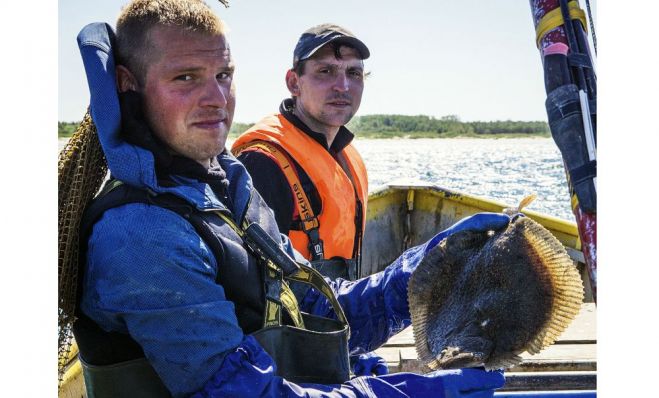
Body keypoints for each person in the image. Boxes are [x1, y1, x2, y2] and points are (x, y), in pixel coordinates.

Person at [70, 1, 510, 397]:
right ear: (129, 85)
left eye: (224, 76)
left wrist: (426, 268)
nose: (217, 99)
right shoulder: (141, 235)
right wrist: (392, 394)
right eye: (186, 78)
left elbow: (315, 308)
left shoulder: (223, 187)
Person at [232, 24, 369, 284]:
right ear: (294, 82)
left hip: (340, 311)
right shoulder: (263, 163)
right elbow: (249, 287)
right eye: (325, 71)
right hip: (288, 322)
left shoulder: (348, 157)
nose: (343, 86)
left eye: (354, 73)